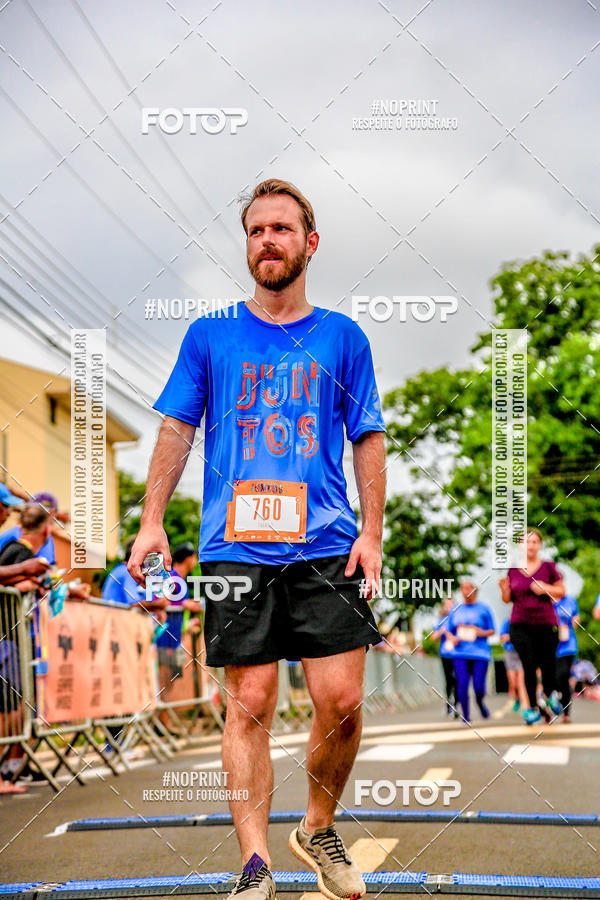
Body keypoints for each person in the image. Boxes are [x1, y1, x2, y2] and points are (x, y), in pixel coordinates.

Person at [128, 178, 386, 900]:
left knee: (340, 701)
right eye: (254, 230)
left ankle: (317, 826)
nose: (266, 240)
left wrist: (372, 533)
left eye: (280, 228)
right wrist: (152, 521)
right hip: (235, 551)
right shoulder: (209, 335)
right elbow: (178, 428)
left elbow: (367, 435)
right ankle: (253, 863)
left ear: (309, 241)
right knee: (250, 702)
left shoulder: (343, 337)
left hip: (328, 545)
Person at [499, 529, 565, 725]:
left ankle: (549, 694)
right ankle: (532, 708)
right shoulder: (512, 570)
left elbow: (561, 591)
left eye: (535, 541)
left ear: (539, 545)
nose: (531, 545)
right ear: (521, 544)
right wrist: (504, 590)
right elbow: (507, 599)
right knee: (528, 664)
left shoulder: (548, 567)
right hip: (520, 624)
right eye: (527, 542)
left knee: (547, 664)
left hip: (545, 623)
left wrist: (546, 587)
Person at [156, 542, 202, 734]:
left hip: (173, 638)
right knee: (164, 681)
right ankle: (162, 724)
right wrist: (187, 605)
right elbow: (164, 602)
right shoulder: (172, 578)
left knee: (169, 681)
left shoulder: (178, 579)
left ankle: (162, 722)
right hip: (164, 639)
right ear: (189, 558)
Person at [446, 581, 495, 723]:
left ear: (475, 590)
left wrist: (480, 632)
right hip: (460, 653)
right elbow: (448, 632)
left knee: (478, 687)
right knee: (461, 685)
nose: (466, 591)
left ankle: (480, 702)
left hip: (480, 653)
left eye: (469, 588)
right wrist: (453, 639)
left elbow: (492, 630)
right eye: (463, 588)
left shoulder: (484, 609)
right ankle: (466, 715)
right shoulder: (455, 609)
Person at [553, 594, 579, 723]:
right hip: (551, 647)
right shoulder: (546, 602)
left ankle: (566, 712)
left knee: (563, 677)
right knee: (553, 679)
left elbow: (576, 617)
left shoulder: (570, 600)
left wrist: (572, 623)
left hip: (568, 646)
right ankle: (551, 703)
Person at [431, 596, 458, 717]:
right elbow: (433, 637)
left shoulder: (458, 619)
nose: (449, 607)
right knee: (449, 680)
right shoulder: (441, 620)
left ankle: (457, 704)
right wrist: (441, 632)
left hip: (458, 653)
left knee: (458, 679)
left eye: (451, 604)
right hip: (445, 653)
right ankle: (449, 704)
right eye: (447, 605)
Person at [499, 618, 527, 712]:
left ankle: (525, 706)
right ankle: (517, 698)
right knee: (513, 683)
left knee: (521, 681)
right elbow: (502, 638)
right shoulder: (506, 623)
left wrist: (511, 637)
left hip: (521, 652)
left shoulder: (524, 622)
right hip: (510, 653)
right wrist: (514, 637)